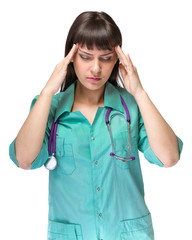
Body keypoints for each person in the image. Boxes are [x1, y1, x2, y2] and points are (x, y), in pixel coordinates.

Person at [9, 11, 183, 240]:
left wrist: (139, 92)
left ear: (116, 60)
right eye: (86, 56)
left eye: (106, 57)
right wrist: (48, 91)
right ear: (71, 57)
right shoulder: (50, 108)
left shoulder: (130, 105)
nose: (95, 68)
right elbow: (24, 159)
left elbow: (169, 157)